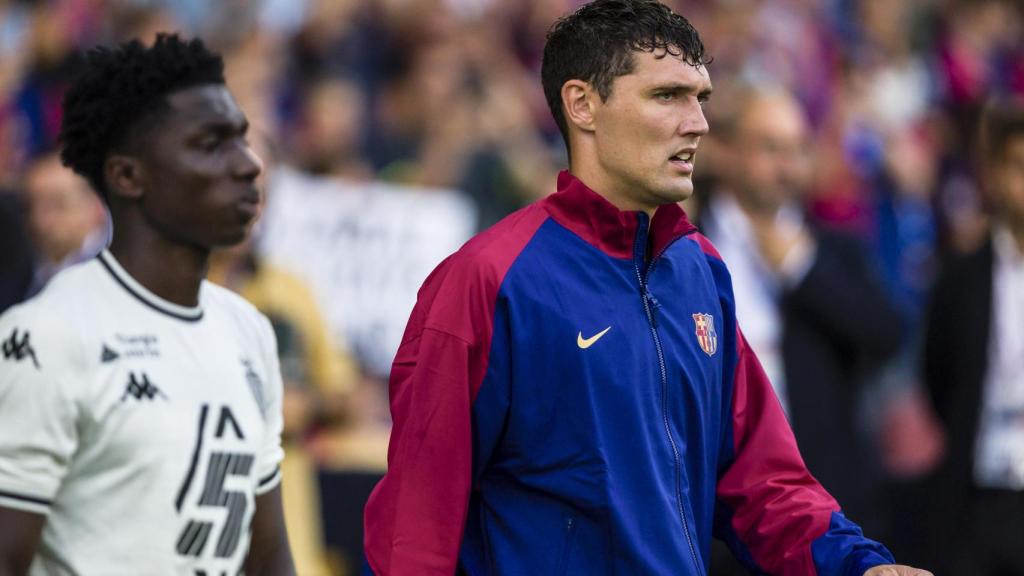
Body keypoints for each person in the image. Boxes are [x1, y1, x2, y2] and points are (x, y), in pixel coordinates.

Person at [362, 1, 930, 574]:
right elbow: (415, 526)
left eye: (700, 98)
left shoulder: (699, 271)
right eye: (668, 96)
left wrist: (857, 565)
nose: (698, 123)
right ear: (582, 104)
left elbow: (762, 481)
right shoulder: (486, 280)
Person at [0, 34, 295, 575]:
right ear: (128, 175)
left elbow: (269, 555)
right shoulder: (46, 335)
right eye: (211, 144)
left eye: (242, 139)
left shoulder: (247, 330)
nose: (250, 165)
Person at [700, 86, 902, 540]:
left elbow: (887, 334)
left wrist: (800, 268)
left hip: (821, 505)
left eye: (796, 150)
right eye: (770, 148)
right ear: (728, 151)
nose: (786, 166)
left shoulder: (833, 247)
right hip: (716, 509)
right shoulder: (684, 243)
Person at [922, 98, 1024, 574]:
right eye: (1019, 167)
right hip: (975, 496)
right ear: (995, 174)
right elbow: (937, 376)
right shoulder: (961, 275)